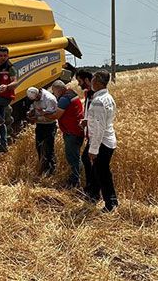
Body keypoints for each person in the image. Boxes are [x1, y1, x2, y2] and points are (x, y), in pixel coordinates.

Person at [86, 70, 119, 212]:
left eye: (93, 79)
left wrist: (93, 150)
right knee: (101, 171)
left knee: (103, 173)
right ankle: (101, 197)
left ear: (98, 81)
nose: (91, 81)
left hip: (102, 142)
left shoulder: (99, 101)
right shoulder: (108, 97)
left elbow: (99, 128)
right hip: (108, 140)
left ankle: (110, 204)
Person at [45, 80, 84, 188]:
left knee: (72, 157)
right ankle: (78, 177)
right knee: (76, 156)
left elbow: (56, 116)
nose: (54, 94)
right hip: (78, 129)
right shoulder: (72, 93)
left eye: (54, 91)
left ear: (58, 89)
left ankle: (75, 181)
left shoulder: (64, 99)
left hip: (71, 131)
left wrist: (44, 114)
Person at [76, 70, 98, 201]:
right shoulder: (87, 93)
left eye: (80, 81)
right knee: (87, 160)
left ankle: (94, 192)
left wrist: (88, 122)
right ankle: (90, 187)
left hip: (96, 135)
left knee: (91, 161)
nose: (79, 84)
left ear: (87, 80)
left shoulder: (97, 95)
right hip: (90, 133)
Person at [26, 86, 58, 175]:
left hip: (49, 125)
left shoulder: (49, 99)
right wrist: (30, 113)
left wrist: (38, 116)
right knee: (39, 147)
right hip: (40, 125)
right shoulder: (34, 99)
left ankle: (51, 170)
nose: (36, 101)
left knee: (48, 149)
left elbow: (52, 116)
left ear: (39, 92)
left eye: (37, 98)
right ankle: (43, 168)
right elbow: (32, 109)